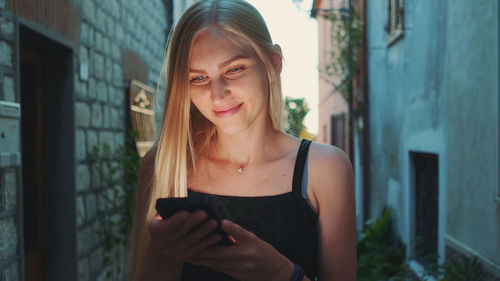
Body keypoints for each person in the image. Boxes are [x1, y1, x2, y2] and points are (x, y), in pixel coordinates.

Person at [130, 0, 356, 280]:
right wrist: (161, 257)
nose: (218, 94)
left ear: (273, 64)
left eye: (234, 69)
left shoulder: (325, 168)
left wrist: (279, 272)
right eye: (199, 78)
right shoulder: (164, 165)